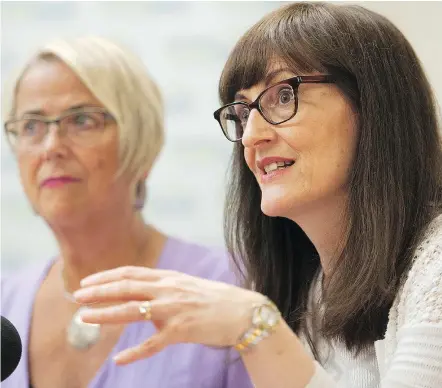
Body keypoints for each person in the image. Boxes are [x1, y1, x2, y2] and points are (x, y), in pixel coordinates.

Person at [71, 3, 442, 388]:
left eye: (283, 96)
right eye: (244, 113)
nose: (251, 137)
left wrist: (258, 328)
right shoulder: (313, 290)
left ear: (376, 106)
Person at [1, 36, 251, 388]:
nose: (51, 147)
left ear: (140, 141)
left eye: (82, 120)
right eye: (31, 126)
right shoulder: (5, 300)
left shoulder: (231, 286)